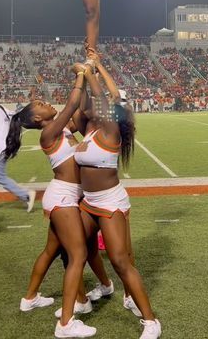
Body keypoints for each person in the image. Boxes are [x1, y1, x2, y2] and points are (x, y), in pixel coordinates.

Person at [4, 67, 97, 339]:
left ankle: (30, 298)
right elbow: (70, 104)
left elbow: (78, 108)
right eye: (41, 105)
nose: (47, 103)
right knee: (78, 255)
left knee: (51, 251)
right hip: (64, 196)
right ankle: (66, 324)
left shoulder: (62, 128)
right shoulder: (49, 134)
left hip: (64, 195)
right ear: (37, 118)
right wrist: (80, 75)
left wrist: (89, 73)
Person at [73, 59, 162, 339]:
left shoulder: (111, 131)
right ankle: (86, 299)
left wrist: (90, 72)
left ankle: (151, 321)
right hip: (88, 202)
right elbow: (87, 102)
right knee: (77, 251)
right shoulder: (91, 128)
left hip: (110, 203)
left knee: (121, 261)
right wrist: (87, 73)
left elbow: (102, 98)